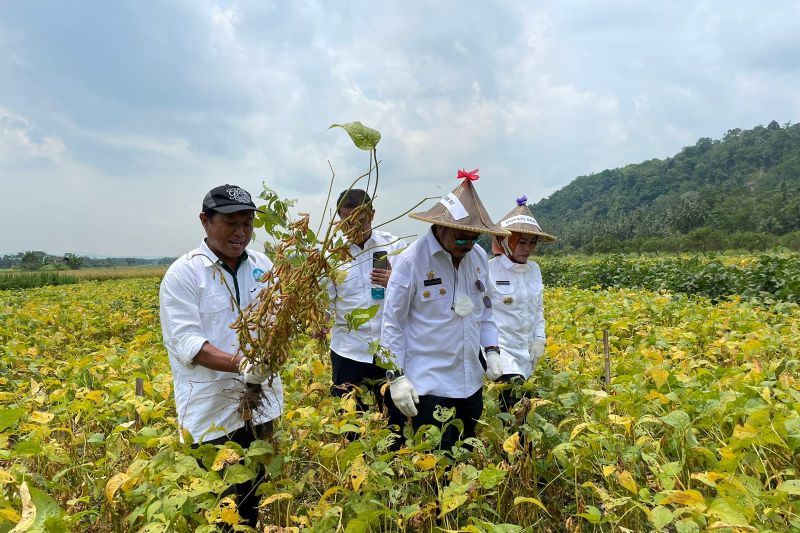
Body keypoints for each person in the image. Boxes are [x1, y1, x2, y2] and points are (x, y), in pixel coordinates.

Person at [159, 184, 284, 527]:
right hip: (211, 415)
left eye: (247, 223)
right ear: (205, 221)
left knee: (255, 498)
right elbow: (190, 345)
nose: (241, 232)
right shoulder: (184, 274)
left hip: (262, 409)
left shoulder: (263, 265)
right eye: (231, 223)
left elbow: (277, 321)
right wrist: (244, 365)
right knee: (224, 510)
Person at [380, 168, 510, 451]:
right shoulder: (411, 262)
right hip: (428, 385)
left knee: (464, 458)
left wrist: (491, 350)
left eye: (473, 238)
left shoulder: (477, 257)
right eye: (461, 237)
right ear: (441, 226)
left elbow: (485, 312)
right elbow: (392, 323)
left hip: (469, 382)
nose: (467, 245)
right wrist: (396, 377)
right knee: (436, 465)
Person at [324, 188, 406, 437]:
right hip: (348, 351)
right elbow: (325, 304)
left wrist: (395, 281)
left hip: (388, 349)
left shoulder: (394, 246)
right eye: (347, 223)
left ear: (372, 214)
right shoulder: (330, 256)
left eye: (361, 221)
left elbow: (415, 297)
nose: (354, 229)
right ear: (339, 219)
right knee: (350, 424)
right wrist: (318, 321)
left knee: (394, 422)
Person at [488, 195, 556, 412]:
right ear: (507, 242)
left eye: (532, 243)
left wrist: (540, 338)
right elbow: (481, 313)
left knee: (522, 408)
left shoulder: (534, 270)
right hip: (503, 350)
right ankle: (514, 446)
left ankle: (519, 446)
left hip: (526, 350)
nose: (527, 249)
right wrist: (488, 351)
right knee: (516, 407)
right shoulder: (489, 269)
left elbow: (537, 309)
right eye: (521, 242)